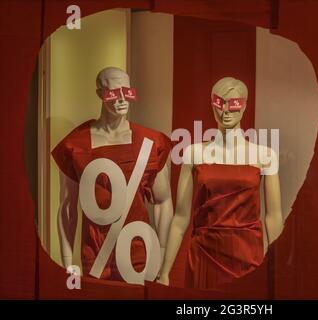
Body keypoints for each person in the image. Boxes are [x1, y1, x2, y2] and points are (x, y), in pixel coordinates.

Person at [157, 77, 284, 289]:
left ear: (244, 107)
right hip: (204, 253)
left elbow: (274, 216)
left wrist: (276, 271)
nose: (226, 112)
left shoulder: (265, 155)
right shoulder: (194, 153)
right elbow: (181, 217)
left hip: (247, 255)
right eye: (220, 104)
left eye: (233, 106)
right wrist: (164, 273)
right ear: (212, 104)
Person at [52, 67, 173, 283]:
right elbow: (67, 207)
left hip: (138, 252)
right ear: (100, 93)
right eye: (113, 92)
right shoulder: (75, 144)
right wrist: (68, 262)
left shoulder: (151, 142)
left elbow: (162, 202)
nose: (122, 99)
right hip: (95, 255)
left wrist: (162, 263)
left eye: (127, 91)